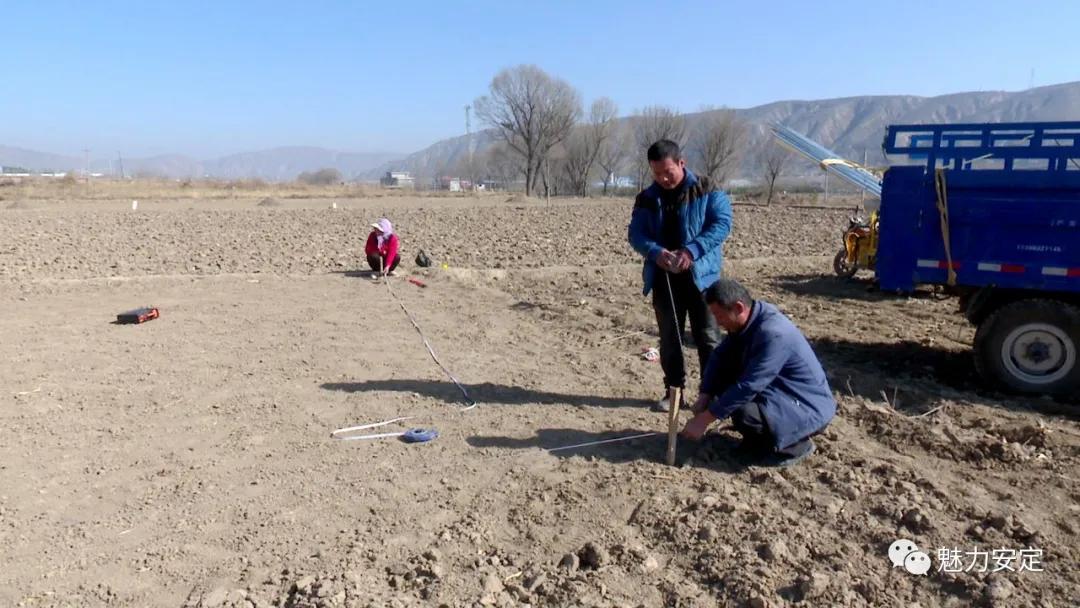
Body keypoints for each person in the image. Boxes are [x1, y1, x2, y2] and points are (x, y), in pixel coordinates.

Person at [681, 279, 836, 467]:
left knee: (743, 409)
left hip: (807, 406)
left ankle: (795, 448)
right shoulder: (747, 321)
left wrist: (704, 420)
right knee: (726, 389)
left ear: (738, 307)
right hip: (781, 391)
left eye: (719, 315)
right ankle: (756, 443)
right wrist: (705, 394)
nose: (718, 322)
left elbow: (750, 385)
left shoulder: (773, 333)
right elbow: (719, 356)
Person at [628, 139, 733, 412]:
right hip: (664, 280)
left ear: (681, 163)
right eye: (656, 173)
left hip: (702, 280)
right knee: (670, 338)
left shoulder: (707, 189)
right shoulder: (647, 198)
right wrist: (656, 253)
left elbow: (721, 224)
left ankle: (711, 396)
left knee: (708, 337)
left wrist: (691, 251)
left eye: (668, 172)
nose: (663, 178)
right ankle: (673, 393)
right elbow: (636, 234)